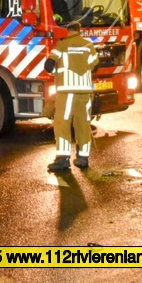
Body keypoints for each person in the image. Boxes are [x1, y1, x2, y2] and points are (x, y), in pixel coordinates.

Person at [40, 21, 100, 172]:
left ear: (68, 31)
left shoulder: (62, 44)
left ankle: (63, 159)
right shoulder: (88, 45)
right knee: (83, 124)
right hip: (84, 91)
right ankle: (83, 158)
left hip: (66, 92)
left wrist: (55, 73)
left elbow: (49, 65)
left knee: (62, 123)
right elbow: (95, 65)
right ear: (79, 30)